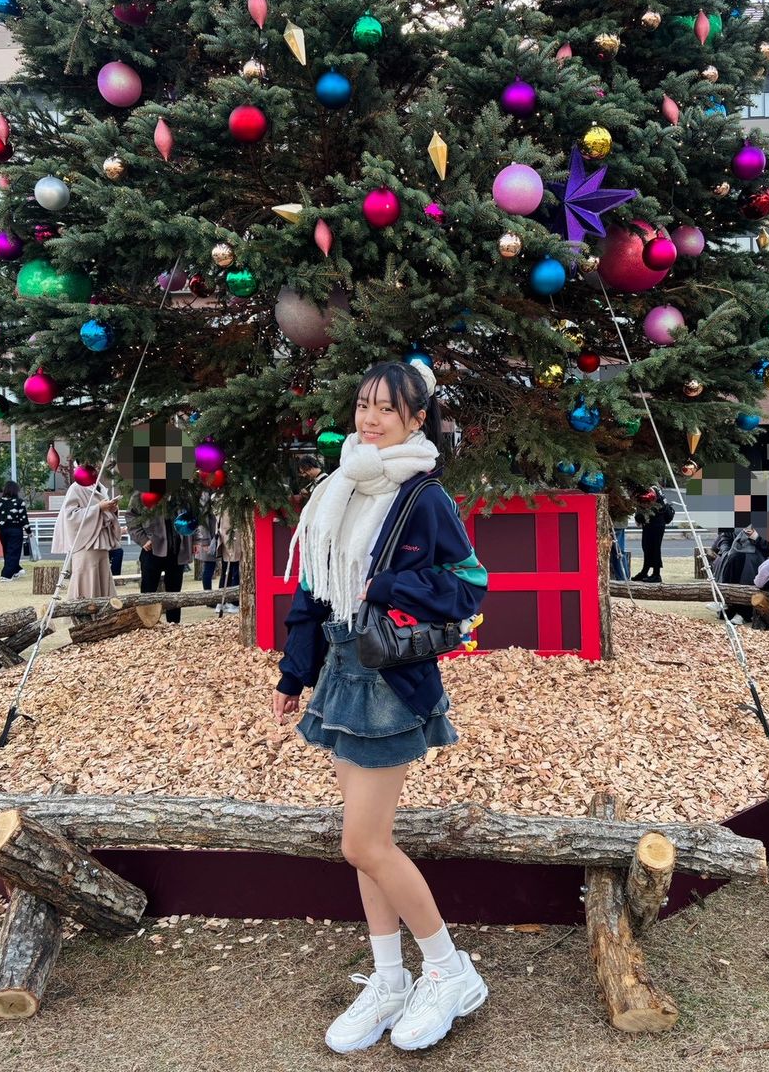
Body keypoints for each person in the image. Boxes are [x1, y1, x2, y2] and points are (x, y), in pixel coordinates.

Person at [273, 360, 489, 1054]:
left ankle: (450, 971)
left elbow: (469, 585)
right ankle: (391, 979)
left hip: (388, 680)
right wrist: (294, 673)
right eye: (364, 405)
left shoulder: (424, 496)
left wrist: (388, 584)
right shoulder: (338, 485)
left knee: (362, 843)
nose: (370, 419)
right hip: (341, 673)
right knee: (369, 845)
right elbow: (312, 588)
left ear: (417, 420)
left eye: (387, 409)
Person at [125, 493, 194, 623]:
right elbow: (131, 516)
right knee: (148, 592)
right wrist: (142, 539)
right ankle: (146, 625)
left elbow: (195, 516)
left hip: (176, 550)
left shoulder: (182, 492)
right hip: (152, 549)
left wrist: (196, 541)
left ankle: (174, 625)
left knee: (174, 594)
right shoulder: (142, 492)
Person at [51, 479, 121, 599]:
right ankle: (84, 607)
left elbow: (106, 515)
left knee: (103, 575)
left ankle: (104, 608)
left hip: (101, 541)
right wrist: (98, 508)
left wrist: (112, 510)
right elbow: (70, 515)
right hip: (85, 542)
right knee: (86, 576)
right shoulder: (76, 487)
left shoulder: (100, 487)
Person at [632, 485, 673, 583]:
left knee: (655, 548)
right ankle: (644, 571)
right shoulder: (654, 488)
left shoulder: (651, 489)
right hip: (651, 522)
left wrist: (639, 517)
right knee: (647, 547)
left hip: (656, 522)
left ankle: (656, 574)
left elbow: (647, 504)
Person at [0, 481, 30, 581]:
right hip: (15, 530)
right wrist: (29, 531)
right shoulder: (19, 502)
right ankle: (6, 575)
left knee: (7, 551)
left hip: (2, 530)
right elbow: (24, 518)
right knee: (13, 551)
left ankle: (16, 569)